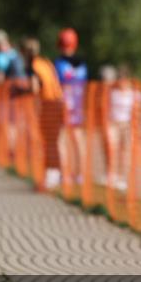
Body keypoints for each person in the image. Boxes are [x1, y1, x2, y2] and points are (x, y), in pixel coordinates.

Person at [21, 38, 65, 189]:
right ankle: (56, 173)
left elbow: (34, 87)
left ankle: (53, 174)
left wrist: (20, 91)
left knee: (49, 140)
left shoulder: (32, 65)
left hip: (48, 104)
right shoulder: (45, 62)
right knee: (54, 140)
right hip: (58, 101)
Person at [54, 29, 88, 189]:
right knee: (78, 139)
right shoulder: (82, 64)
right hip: (78, 105)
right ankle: (80, 174)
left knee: (62, 140)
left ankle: (65, 175)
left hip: (64, 105)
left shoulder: (59, 64)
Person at [106, 65, 141, 191]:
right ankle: (111, 175)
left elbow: (138, 111)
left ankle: (122, 178)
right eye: (119, 77)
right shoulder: (112, 92)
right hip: (114, 124)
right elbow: (107, 108)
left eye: (123, 78)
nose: (121, 80)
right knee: (112, 149)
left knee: (125, 151)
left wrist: (138, 126)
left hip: (127, 125)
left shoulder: (135, 93)